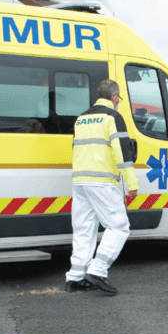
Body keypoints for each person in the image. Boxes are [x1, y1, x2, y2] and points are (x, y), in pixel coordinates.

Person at [65, 80, 138, 295]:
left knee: (83, 229)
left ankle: (75, 277)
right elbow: (122, 152)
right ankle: (97, 271)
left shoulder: (81, 119)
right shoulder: (112, 117)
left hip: (80, 181)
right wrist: (131, 182)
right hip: (102, 181)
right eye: (119, 99)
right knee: (119, 227)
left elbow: (75, 149)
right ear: (114, 97)